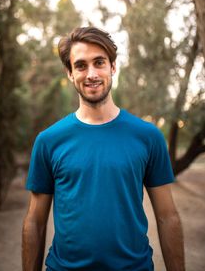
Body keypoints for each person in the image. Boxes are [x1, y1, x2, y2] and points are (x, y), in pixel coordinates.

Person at [22, 27, 185, 271]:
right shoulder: (49, 141)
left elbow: (167, 216)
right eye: (80, 65)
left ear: (113, 67)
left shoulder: (148, 136)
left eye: (99, 62)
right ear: (69, 73)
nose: (91, 74)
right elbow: (35, 221)